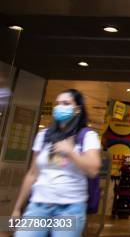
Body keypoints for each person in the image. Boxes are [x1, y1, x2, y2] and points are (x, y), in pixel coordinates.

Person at [11, 89, 102, 237]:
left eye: (66, 103)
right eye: (58, 104)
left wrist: (71, 152)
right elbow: (32, 174)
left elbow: (93, 169)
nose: (60, 107)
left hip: (70, 209)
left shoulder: (87, 136)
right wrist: (17, 208)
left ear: (77, 110)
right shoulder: (43, 135)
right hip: (38, 206)